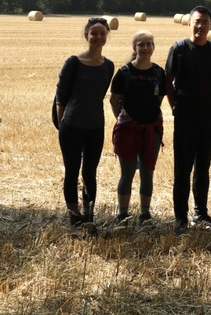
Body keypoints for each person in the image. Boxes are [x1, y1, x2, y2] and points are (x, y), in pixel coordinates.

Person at [165, 6, 211, 233]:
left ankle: (201, 213)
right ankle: (180, 218)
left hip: (209, 118)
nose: (200, 26)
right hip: (185, 118)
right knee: (182, 169)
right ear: (189, 23)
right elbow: (167, 81)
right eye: (197, 21)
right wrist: (175, 107)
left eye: (205, 22)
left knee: (203, 167)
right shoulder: (179, 49)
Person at [55, 17, 115, 227]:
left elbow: (100, 94)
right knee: (72, 172)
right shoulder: (73, 62)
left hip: (96, 127)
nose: (98, 37)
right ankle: (74, 217)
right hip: (71, 126)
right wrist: (62, 125)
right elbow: (61, 97)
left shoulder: (109, 66)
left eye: (102, 33)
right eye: (94, 33)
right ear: (86, 35)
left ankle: (88, 217)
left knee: (90, 173)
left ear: (107, 36)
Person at [109, 30, 166, 226]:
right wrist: (123, 120)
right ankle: (122, 215)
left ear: (153, 47)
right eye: (141, 44)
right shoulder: (124, 72)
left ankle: (145, 214)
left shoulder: (159, 73)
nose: (145, 47)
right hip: (128, 130)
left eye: (149, 44)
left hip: (151, 130)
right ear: (135, 47)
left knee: (147, 172)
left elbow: (159, 98)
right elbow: (114, 100)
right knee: (127, 174)